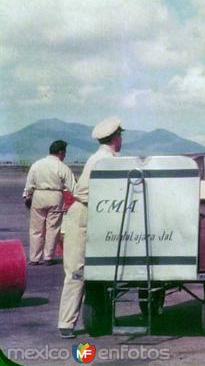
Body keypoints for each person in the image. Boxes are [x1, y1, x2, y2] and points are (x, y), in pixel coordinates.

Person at [57, 117, 123, 339]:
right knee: (76, 271)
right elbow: (83, 192)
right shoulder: (102, 160)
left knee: (93, 270)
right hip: (83, 215)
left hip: (94, 216)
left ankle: (94, 315)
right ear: (116, 138)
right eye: (120, 136)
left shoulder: (107, 158)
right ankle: (66, 323)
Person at [22, 140, 76, 266]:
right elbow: (73, 187)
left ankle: (34, 258)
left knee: (36, 228)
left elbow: (29, 184)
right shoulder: (62, 167)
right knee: (53, 228)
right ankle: (48, 257)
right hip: (55, 196)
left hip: (39, 195)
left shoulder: (37, 164)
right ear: (61, 152)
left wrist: (27, 196)